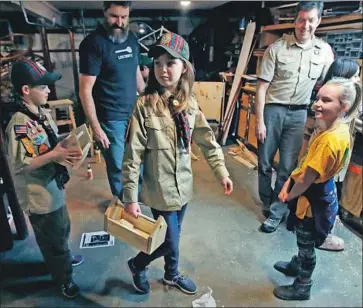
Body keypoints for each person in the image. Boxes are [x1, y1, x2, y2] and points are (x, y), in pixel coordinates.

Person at [122, 32, 233, 295]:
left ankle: (170, 275)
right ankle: (138, 264)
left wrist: (222, 172)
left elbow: (207, 140)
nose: (162, 70)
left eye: (170, 63)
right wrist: (130, 197)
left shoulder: (189, 104)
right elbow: (132, 155)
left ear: (184, 67)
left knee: (174, 235)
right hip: (158, 190)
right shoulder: (143, 106)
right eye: (157, 63)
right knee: (169, 240)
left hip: (183, 186)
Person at [272, 78, 362, 301]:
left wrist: (288, 194)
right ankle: (297, 264)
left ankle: (303, 285)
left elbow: (306, 180)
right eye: (318, 98)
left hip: (312, 201)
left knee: (306, 245)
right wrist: (290, 182)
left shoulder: (329, 141)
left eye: (326, 100)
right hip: (322, 193)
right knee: (305, 240)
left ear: (344, 107)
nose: (317, 104)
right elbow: (306, 169)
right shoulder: (338, 129)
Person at [5, 58, 83, 298]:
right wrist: (56, 154)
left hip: (52, 187)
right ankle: (64, 279)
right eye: (43, 86)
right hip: (39, 196)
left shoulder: (40, 113)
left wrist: (68, 144)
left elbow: (49, 142)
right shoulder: (20, 123)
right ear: (26, 90)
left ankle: (62, 259)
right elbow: (22, 164)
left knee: (62, 228)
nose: (49, 90)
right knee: (53, 239)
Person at [255, 1, 334, 233]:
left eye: (310, 20)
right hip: (272, 110)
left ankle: (278, 210)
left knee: (288, 166)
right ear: (295, 20)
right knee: (265, 161)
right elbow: (261, 88)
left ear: (318, 21)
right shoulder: (277, 49)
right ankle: (267, 201)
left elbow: (330, 85)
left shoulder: (324, 52)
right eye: (301, 20)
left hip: (299, 113)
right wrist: (259, 120)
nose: (305, 25)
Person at [79, 1, 145, 200]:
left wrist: (148, 100)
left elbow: (136, 75)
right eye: (114, 16)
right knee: (117, 164)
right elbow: (85, 90)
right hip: (110, 117)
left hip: (134, 112)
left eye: (124, 17)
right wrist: (96, 128)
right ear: (104, 13)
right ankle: (124, 201)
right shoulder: (93, 44)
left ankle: (138, 197)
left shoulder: (132, 39)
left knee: (138, 159)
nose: (119, 22)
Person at [305, 58, 361, 251]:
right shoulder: (332, 126)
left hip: (326, 168)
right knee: (322, 200)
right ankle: (319, 235)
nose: (358, 79)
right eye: (355, 75)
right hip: (326, 171)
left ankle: (315, 232)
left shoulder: (335, 120)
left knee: (320, 201)